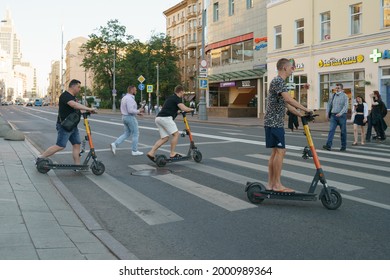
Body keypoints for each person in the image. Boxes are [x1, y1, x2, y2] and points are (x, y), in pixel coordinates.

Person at [264, 58, 312, 192]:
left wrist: (301, 115)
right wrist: (306, 109)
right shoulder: (278, 81)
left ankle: (271, 184)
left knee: (275, 153)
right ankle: (277, 184)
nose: (293, 69)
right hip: (274, 123)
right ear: (284, 68)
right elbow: (288, 99)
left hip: (272, 122)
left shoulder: (278, 82)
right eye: (292, 67)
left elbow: (287, 106)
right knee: (280, 151)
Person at [36, 79, 96, 164]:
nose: (79, 89)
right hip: (64, 126)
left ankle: (77, 166)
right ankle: (40, 157)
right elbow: (74, 105)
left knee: (76, 144)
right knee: (60, 146)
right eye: (78, 87)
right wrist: (89, 108)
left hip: (72, 125)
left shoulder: (73, 97)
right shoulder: (65, 96)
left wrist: (87, 111)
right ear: (73, 86)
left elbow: (76, 110)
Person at [146, 85, 194, 161]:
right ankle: (172, 153)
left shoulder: (171, 98)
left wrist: (178, 112)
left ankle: (151, 152)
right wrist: (191, 109)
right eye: (183, 92)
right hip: (166, 118)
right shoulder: (176, 98)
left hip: (158, 118)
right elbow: (184, 108)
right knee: (176, 134)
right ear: (180, 91)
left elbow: (171, 109)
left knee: (165, 138)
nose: (183, 94)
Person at [110, 85, 144, 156]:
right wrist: (138, 111)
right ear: (131, 90)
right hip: (130, 117)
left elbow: (127, 110)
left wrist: (137, 113)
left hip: (124, 117)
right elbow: (130, 110)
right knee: (135, 133)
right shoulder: (130, 99)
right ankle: (134, 150)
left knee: (127, 133)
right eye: (135, 90)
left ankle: (115, 144)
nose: (136, 91)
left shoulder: (124, 98)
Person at [323, 83, 349, 151]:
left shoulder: (345, 96)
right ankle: (328, 145)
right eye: (336, 88)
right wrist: (326, 113)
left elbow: (346, 106)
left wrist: (340, 113)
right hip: (333, 116)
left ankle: (343, 146)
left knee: (343, 132)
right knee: (331, 130)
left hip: (342, 116)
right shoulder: (333, 95)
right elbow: (329, 105)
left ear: (342, 89)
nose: (337, 89)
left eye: (338, 88)